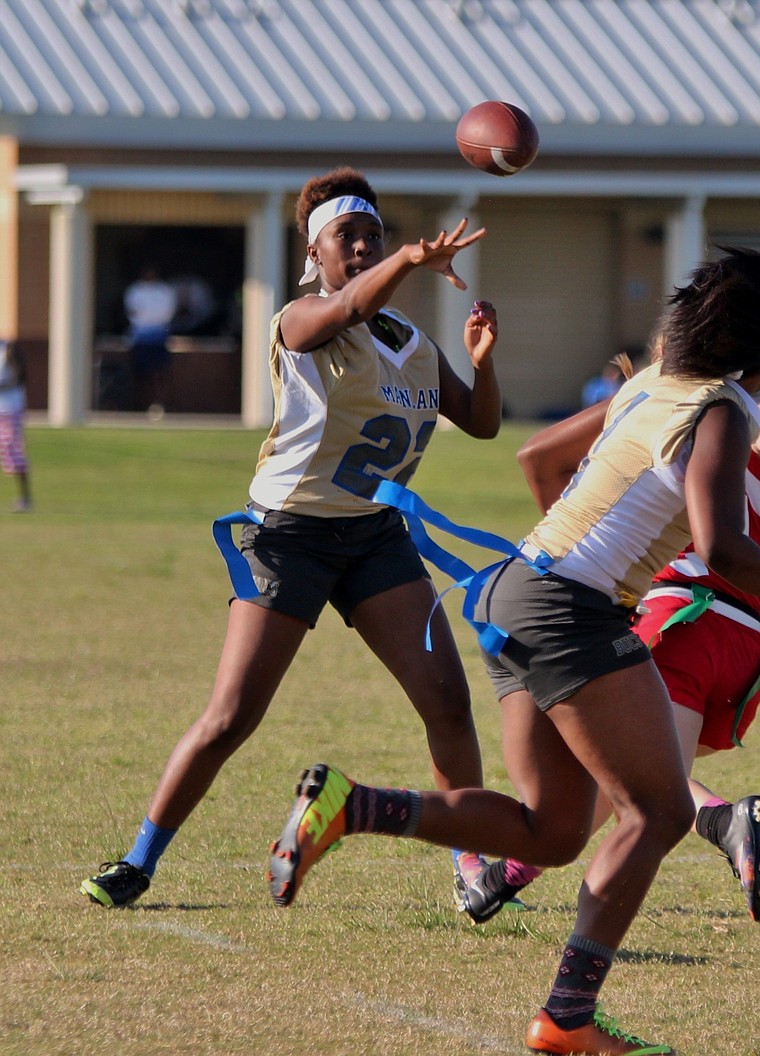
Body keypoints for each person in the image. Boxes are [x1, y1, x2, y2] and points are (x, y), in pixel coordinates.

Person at [266, 247, 760, 1055]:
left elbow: (545, 460)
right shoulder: (723, 409)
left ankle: (350, 806)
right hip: (570, 610)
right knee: (660, 811)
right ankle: (567, 1016)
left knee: (550, 832)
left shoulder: (649, 382)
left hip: (518, 587)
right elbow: (723, 547)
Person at [81, 166, 502, 910]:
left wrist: (482, 359)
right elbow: (338, 312)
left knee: (447, 699)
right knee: (232, 714)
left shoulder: (411, 341)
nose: (366, 244)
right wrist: (406, 259)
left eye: (375, 233)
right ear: (316, 253)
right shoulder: (300, 319)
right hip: (289, 537)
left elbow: (482, 421)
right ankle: (139, 860)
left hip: (374, 537)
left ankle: (474, 869)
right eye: (350, 235)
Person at [452, 331, 760, 929]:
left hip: (678, 612)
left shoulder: (654, 411)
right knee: (630, 772)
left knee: (638, 785)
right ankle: (501, 880)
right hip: (742, 633)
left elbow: (543, 461)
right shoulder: (750, 412)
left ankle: (720, 828)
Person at [124, 264, 178, 416]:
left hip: (159, 336)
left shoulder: (164, 291)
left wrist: (149, 317)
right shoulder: (135, 290)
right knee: (141, 373)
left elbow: (167, 313)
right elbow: (132, 312)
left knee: (160, 372)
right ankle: (140, 405)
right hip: (140, 337)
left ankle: (159, 404)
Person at [0, 339, 32, 512]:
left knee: (13, 451)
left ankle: (25, 498)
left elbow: (19, 378)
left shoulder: (8, 349)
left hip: (9, 408)